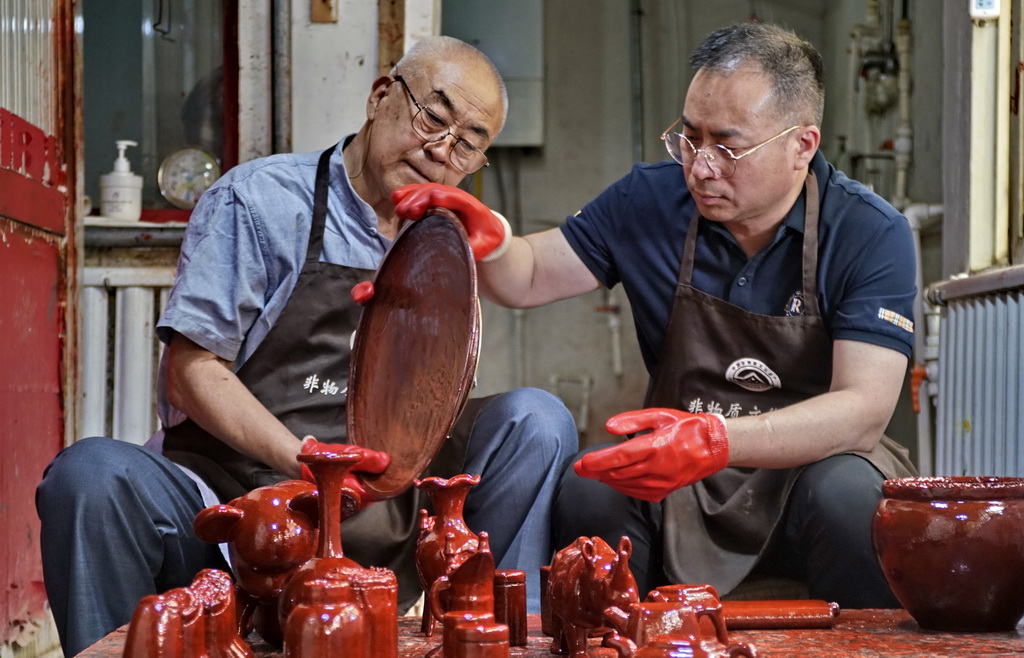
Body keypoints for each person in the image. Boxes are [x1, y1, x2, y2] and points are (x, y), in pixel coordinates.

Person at [36, 36, 577, 656]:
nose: (439, 150)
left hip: (382, 511)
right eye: (433, 116)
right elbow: (191, 369)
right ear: (381, 98)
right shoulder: (262, 201)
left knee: (537, 420)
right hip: (238, 500)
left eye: (467, 143)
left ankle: (484, 639)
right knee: (90, 476)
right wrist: (305, 460)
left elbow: (451, 376)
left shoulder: (445, 238)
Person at [393, 22, 917, 608]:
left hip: (810, 471)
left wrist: (717, 437)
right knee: (592, 490)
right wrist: (486, 238)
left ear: (803, 145)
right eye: (689, 138)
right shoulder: (651, 200)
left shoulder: (871, 232)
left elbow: (863, 410)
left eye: (728, 146)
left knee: (850, 495)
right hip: (684, 479)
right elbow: (532, 274)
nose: (700, 166)